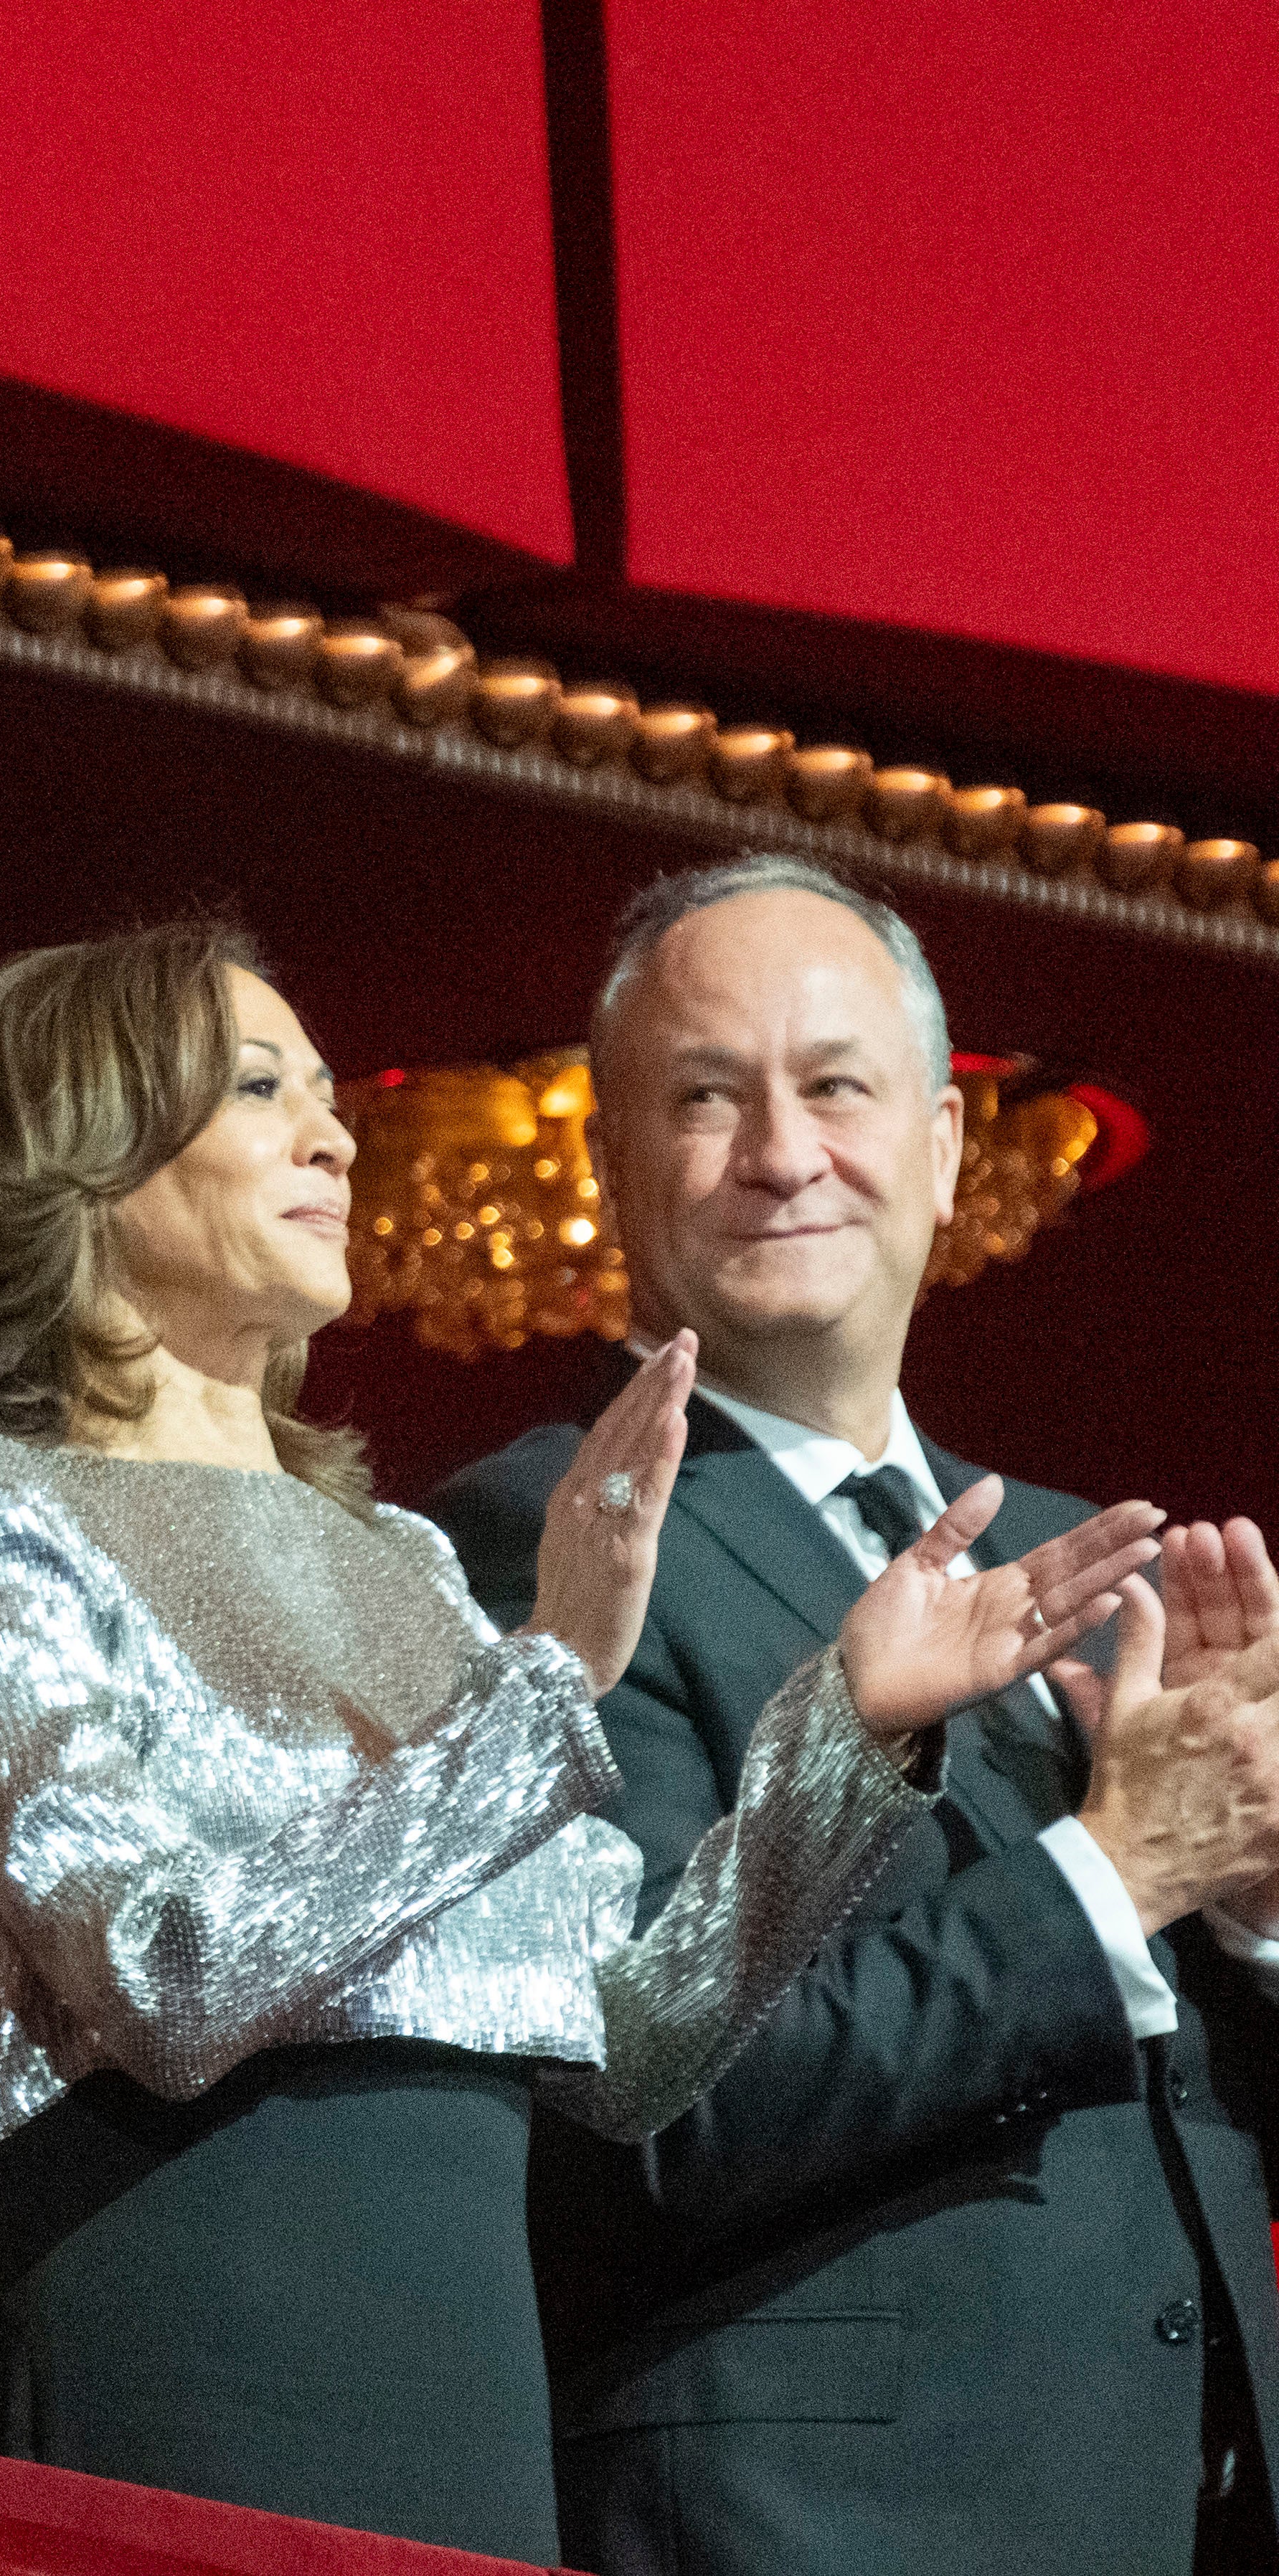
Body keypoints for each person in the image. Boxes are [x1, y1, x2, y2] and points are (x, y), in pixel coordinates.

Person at [0, 917, 1186, 2561]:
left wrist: (846, 1738)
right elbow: (164, 1972)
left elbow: (621, 2047)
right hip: (178, 2300)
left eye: (325, 1091)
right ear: (75, 1152)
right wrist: (545, 1674)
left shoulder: (396, 1557)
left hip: (458, 2363)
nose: (333, 1133)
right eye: (260, 1088)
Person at [426, 855, 1279, 2576]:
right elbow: (645, 2110)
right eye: (703, 1099)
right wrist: (1112, 1878)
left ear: (947, 1149)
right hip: (806, 2526)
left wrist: (1250, 1902)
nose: (782, 1154)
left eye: (833, 1086)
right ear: (608, 1169)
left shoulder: (1075, 1553)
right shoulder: (555, 1537)